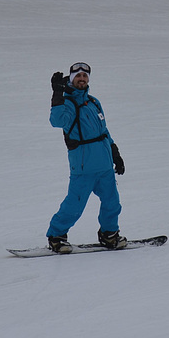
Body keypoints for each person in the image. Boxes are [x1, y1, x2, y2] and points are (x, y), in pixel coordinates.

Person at [46, 62, 127, 253]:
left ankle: (109, 235)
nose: (82, 79)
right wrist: (57, 94)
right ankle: (56, 236)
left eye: (85, 76)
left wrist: (115, 153)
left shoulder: (93, 102)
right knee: (74, 206)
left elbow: (104, 130)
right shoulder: (68, 104)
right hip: (83, 167)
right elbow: (56, 121)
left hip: (105, 165)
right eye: (78, 76)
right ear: (72, 79)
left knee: (112, 203)